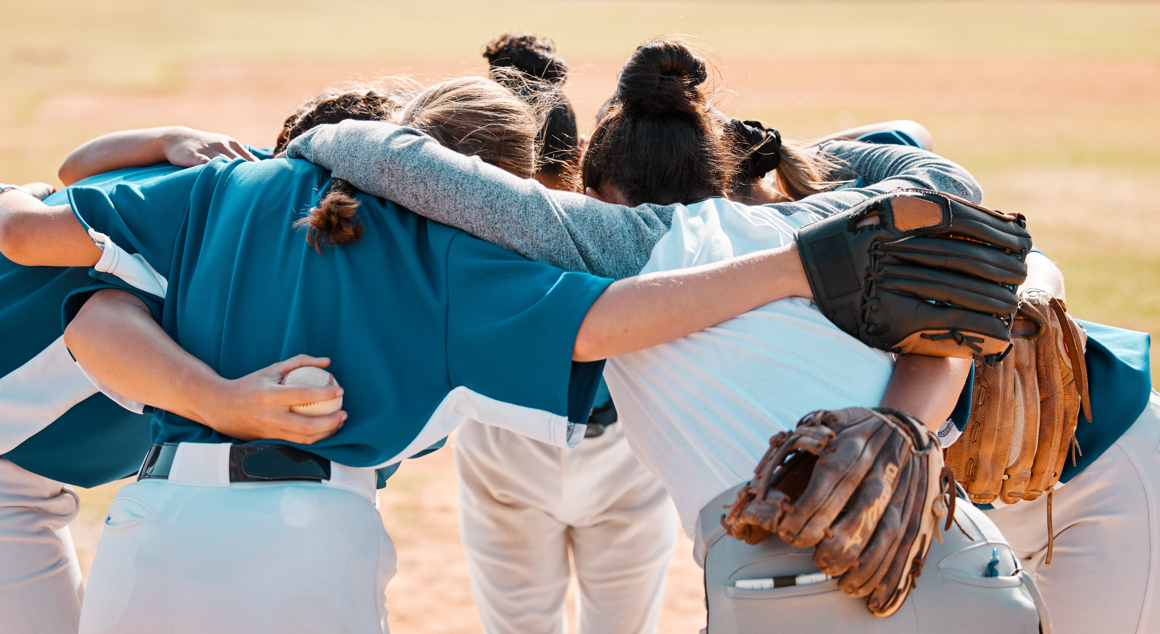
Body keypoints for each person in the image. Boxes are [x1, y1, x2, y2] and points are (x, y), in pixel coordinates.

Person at [285, 39, 1045, 631]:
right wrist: (804, 152)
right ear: (717, 168)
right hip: (971, 567)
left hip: (799, 592)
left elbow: (402, 162)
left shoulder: (622, 246)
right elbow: (946, 178)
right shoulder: (818, 224)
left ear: (596, 189)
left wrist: (312, 144)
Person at [0, 87, 402, 634]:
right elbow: (97, 322)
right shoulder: (262, 223)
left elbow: (73, 168)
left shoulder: (234, 179)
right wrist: (222, 402)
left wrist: (166, 137)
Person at [455, 32, 677, 634]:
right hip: (617, 445)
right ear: (577, 154)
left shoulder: (459, 220)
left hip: (507, 437)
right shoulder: (619, 220)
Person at [975, 252, 1159, 634]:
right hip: (988, 520)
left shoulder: (859, 208)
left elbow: (1023, 254)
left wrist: (1033, 302)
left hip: (1108, 467)